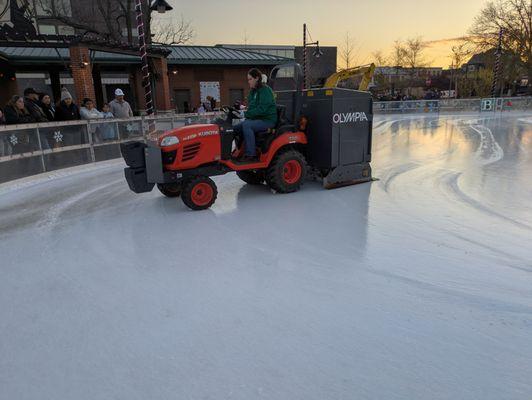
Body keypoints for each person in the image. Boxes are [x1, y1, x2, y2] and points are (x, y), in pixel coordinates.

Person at [234, 68, 277, 162]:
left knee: (247, 125)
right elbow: (252, 107)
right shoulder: (253, 92)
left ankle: (251, 155)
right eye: (248, 79)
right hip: (258, 119)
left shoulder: (265, 90)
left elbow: (262, 109)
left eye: (250, 79)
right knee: (233, 128)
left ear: (257, 78)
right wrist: (242, 110)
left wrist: (246, 114)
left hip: (267, 120)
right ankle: (236, 150)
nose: (248, 82)